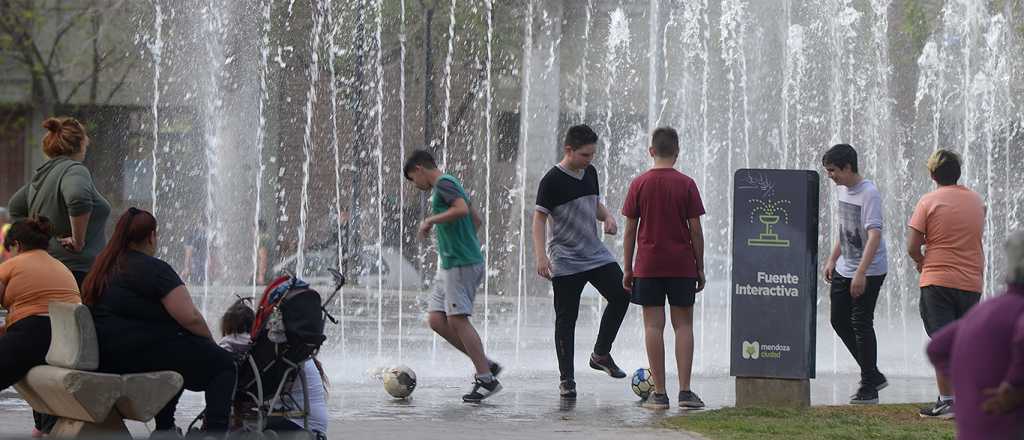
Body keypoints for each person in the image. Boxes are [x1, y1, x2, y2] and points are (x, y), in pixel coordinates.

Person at [83, 208, 235, 434]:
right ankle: (214, 432)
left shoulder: (103, 266)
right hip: (140, 356)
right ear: (152, 236)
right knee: (224, 364)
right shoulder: (155, 269)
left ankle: (165, 429)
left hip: (108, 355)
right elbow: (191, 318)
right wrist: (210, 344)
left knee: (177, 352)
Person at [532, 124, 631, 399]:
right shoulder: (551, 181)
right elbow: (538, 219)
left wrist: (608, 216)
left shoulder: (590, 172)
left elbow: (595, 204)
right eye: (585, 155)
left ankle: (600, 354)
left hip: (595, 253)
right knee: (566, 320)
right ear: (569, 150)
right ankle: (567, 380)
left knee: (623, 294)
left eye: (592, 154)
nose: (590, 160)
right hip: (565, 258)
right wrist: (541, 256)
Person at [403, 150, 502, 403]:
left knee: (458, 319)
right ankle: (485, 364)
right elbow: (476, 219)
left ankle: (485, 379)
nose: (416, 187)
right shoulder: (450, 184)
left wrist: (430, 221)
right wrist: (461, 238)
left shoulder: (444, 184)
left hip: (461, 263)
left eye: (413, 180)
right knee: (437, 320)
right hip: (449, 263)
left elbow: (460, 210)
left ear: (418, 169)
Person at [622, 127, 706, 409]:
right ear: (677, 152)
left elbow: (630, 230)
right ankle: (685, 392)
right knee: (683, 325)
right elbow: (695, 230)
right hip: (682, 265)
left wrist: (627, 267)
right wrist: (700, 267)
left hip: (648, 265)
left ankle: (659, 394)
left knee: (653, 326)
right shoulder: (687, 184)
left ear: (651, 151)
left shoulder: (639, 184)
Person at [907, 149, 986, 419]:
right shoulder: (977, 202)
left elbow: (912, 245)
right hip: (971, 282)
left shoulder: (928, 202)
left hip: (938, 280)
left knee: (942, 342)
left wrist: (920, 261)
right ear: (958, 172)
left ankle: (949, 401)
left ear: (932, 174)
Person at [927, 230, 1024, 439]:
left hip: (973, 428)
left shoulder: (984, 310)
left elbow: (937, 347)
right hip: (1008, 426)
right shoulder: (1018, 309)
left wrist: (965, 384)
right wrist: (1012, 386)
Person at [0, 217, 82, 438]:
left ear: (17, 244)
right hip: (70, 341)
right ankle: (44, 428)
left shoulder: (13, 265)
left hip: (34, 333)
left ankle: (43, 429)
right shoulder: (62, 267)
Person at [821, 143, 889, 405]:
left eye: (833, 170)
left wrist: (861, 272)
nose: (830, 176)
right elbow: (846, 228)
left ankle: (869, 385)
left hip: (869, 270)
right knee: (838, 320)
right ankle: (872, 374)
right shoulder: (843, 190)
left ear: (848, 167)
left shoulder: (869, 193)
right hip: (844, 267)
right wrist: (833, 257)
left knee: (861, 323)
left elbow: (874, 234)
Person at [8, 117, 111, 288]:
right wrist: (78, 242)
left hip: (48, 269)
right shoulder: (74, 169)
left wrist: (32, 248)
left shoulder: (41, 176)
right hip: (78, 274)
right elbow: (78, 197)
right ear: (80, 143)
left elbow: (15, 207)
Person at [218, 299, 328, 438]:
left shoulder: (272, 357)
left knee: (241, 432)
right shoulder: (290, 352)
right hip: (314, 428)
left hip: (299, 427)